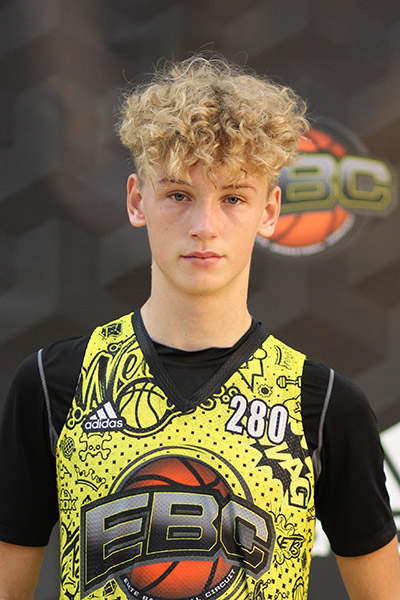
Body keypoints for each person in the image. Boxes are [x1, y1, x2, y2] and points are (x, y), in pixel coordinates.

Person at [0, 55, 399, 600]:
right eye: (178, 195)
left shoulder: (325, 404)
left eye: (233, 197)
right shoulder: (54, 383)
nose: (205, 226)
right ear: (137, 200)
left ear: (269, 210)